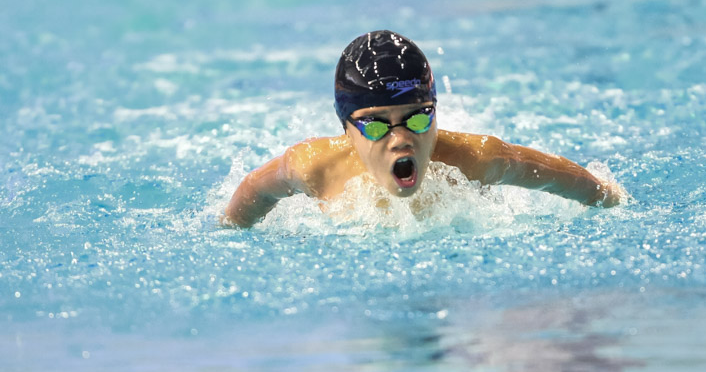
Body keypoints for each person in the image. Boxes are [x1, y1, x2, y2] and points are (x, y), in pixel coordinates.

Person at [224, 30, 622, 228]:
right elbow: (252, 192)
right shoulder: (313, 167)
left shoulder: (478, 159)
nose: (401, 138)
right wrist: (229, 234)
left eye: (417, 118)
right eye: (377, 125)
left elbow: (575, 183)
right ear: (347, 129)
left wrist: (613, 202)